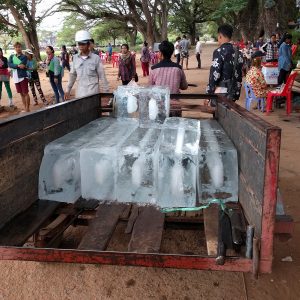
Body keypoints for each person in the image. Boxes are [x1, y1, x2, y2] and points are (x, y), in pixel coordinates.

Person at [65, 30, 109, 99]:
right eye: (79, 44)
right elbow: (72, 75)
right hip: (80, 94)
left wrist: (106, 93)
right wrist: (68, 90)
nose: (81, 46)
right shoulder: (75, 58)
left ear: (88, 44)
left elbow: (102, 76)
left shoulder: (96, 58)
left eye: (83, 44)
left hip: (93, 94)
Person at [206, 24, 243, 104]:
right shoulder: (238, 52)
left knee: (219, 114)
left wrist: (209, 94)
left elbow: (215, 75)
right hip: (233, 91)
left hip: (221, 91)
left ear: (220, 36)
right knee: (227, 112)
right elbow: (240, 73)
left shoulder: (219, 52)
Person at [8, 42, 30, 112]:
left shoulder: (24, 57)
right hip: (15, 77)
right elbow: (9, 64)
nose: (18, 48)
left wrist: (15, 65)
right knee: (21, 93)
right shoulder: (11, 56)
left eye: (19, 47)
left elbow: (22, 65)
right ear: (14, 48)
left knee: (25, 93)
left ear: (21, 48)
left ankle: (27, 109)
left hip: (22, 76)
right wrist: (17, 65)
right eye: (16, 47)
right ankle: (25, 108)